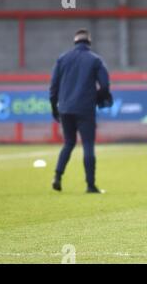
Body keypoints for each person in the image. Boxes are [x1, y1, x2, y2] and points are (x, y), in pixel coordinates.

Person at [49, 28, 112, 194]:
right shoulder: (95, 60)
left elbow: (53, 86)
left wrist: (54, 107)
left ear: (75, 42)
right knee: (88, 145)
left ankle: (57, 176)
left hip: (65, 108)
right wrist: (99, 98)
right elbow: (105, 85)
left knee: (68, 143)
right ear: (89, 42)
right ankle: (90, 185)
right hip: (85, 108)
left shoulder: (62, 59)